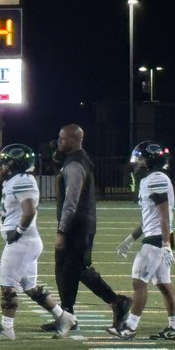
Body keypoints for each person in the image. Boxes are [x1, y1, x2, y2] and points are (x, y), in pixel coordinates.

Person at [0, 145, 77, 341]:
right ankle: (64, 317)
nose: (2, 167)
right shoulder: (17, 180)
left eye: (5, 163)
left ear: (15, 165)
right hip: (26, 242)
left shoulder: (22, 180)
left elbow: (29, 210)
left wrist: (18, 231)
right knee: (30, 287)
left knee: (7, 286)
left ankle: (7, 330)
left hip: (22, 242)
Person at [49, 124, 131, 332]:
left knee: (76, 268)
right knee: (67, 269)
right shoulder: (76, 160)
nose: (59, 142)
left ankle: (116, 301)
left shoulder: (75, 164)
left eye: (62, 138)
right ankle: (67, 314)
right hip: (80, 224)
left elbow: (71, 201)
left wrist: (62, 230)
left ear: (74, 139)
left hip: (77, 226)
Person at [111, 141, 175, 340]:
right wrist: (130, 238)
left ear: (151, 160)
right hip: (160, 236)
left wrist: (166, 244)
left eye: (141, 158)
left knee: (139, 281)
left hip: (158, 239)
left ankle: (130, 326)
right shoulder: (152, 179)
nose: (137, 162)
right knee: (163, 283)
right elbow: (150, 217)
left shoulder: (155, 179)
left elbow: (163, 215)